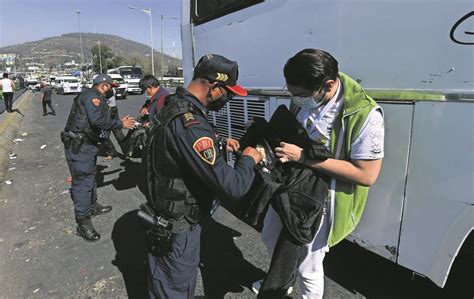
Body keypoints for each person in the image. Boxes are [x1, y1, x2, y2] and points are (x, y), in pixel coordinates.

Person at [257, 49, 385, 298]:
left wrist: (303, 158)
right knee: (269, 235)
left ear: (328, 84)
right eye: (292, 94)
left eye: (302, 95)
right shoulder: (304, 98)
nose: (297, 100)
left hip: (322, 199)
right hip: (291, 187)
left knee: (309, 266)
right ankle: (284, 281)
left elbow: (366, 175)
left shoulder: (364, 113)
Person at [142, 54, 263, 298]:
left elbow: (181, 148)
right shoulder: (191, 124)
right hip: (178, 227)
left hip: (167, 215)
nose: (227, 100)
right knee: (175, 289)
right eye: (228, 93)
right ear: (214, 87)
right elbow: (232, 187)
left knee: (167, 284)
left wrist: (218, 142)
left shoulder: (173, 104)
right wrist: (250, 158)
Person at [61, 74, 136, 242]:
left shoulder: (93, 96)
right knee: (83, 182)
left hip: (88, 145)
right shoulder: (93, 97)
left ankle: (92, 206)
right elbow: (98, 122)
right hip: (80, 146)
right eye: (110, 87)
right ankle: (83, 223)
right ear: (103, 86)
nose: (112, 91)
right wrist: (120, 124)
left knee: (91, 176)